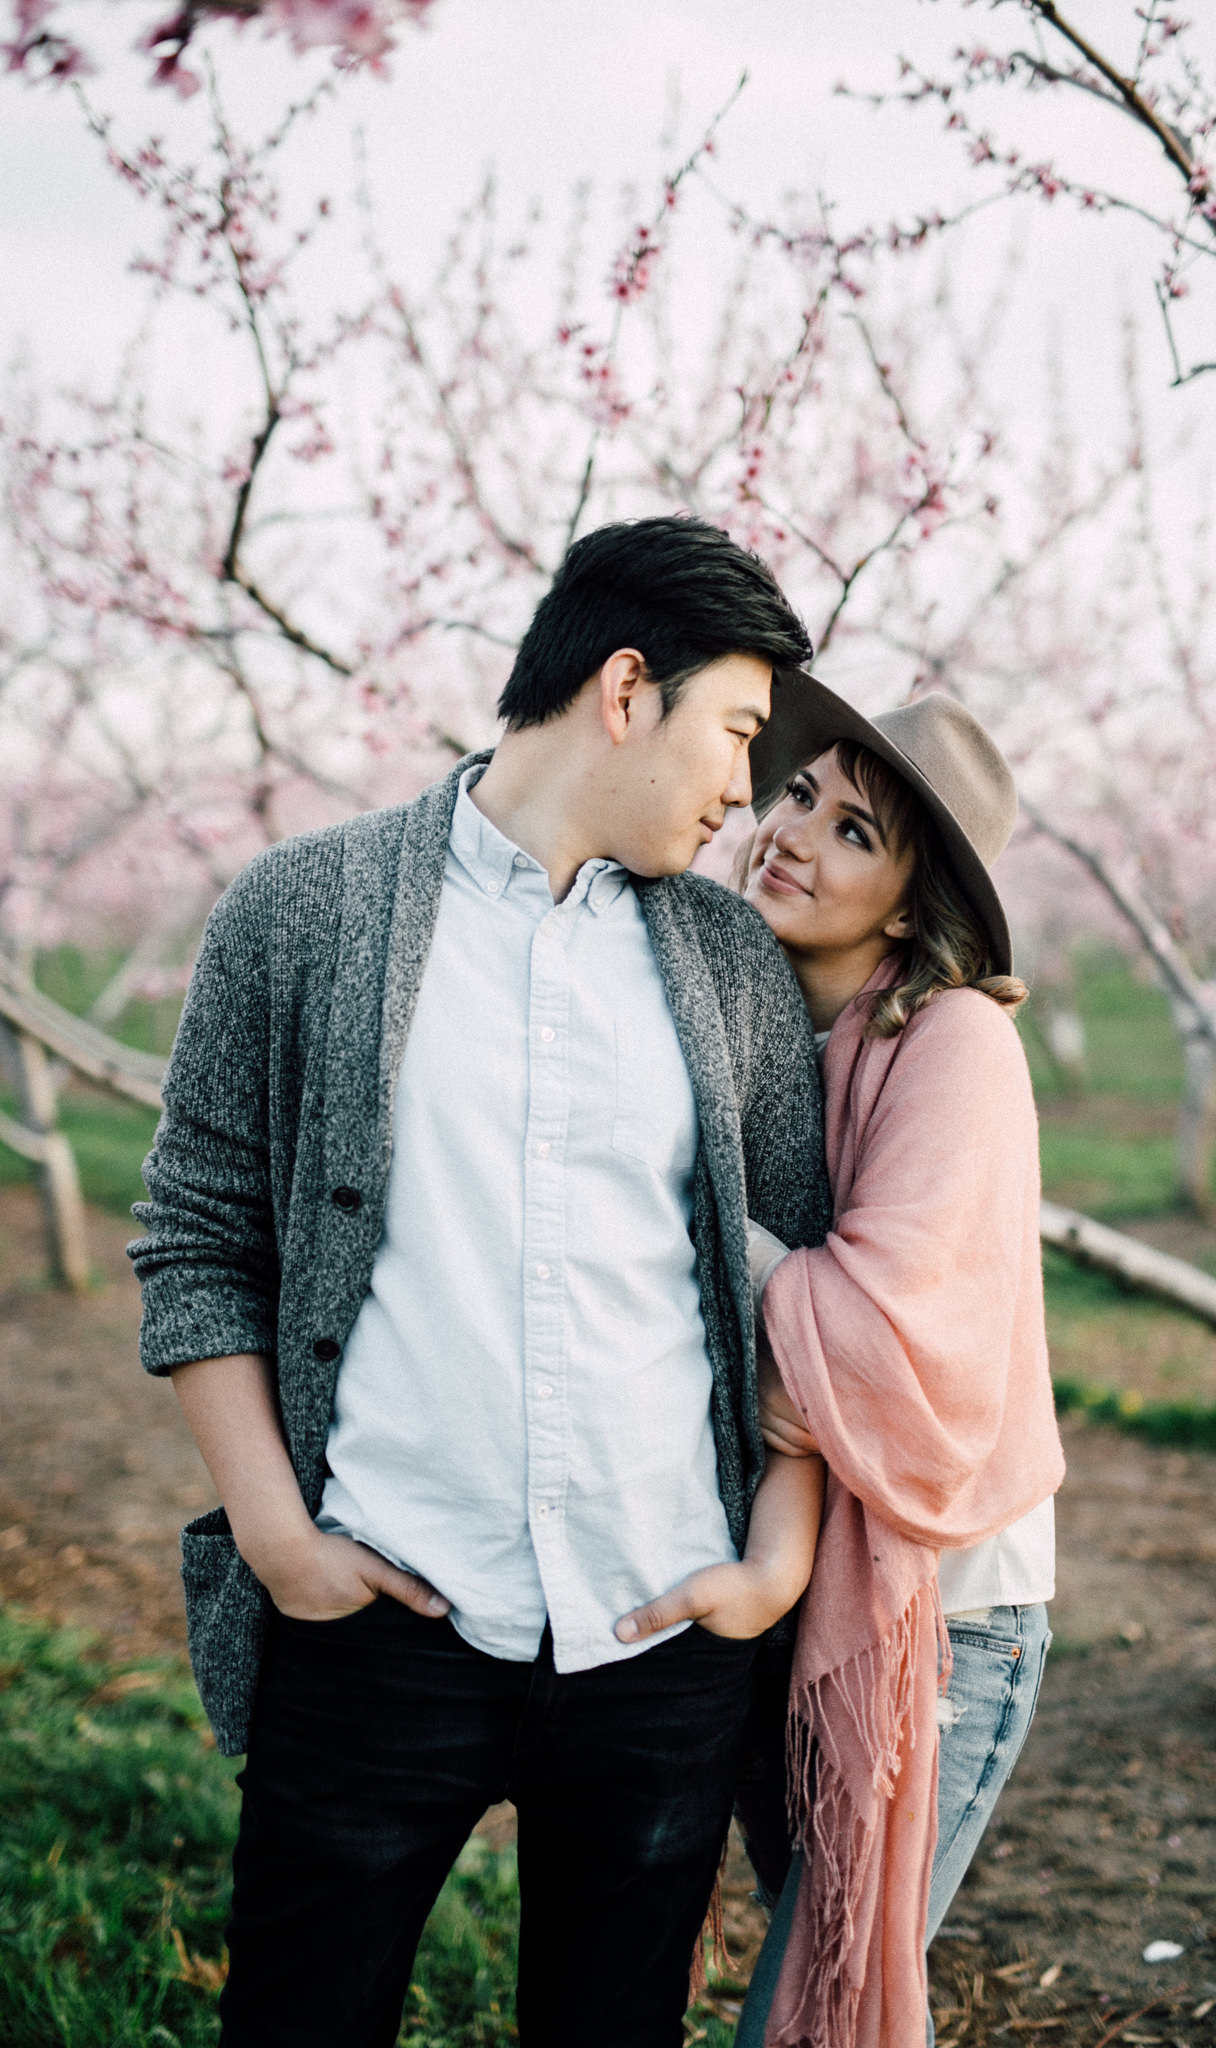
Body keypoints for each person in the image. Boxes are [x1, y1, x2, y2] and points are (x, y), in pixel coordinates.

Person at [127, 515, 836, 2048]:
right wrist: (278, 1540)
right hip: (376, 1613)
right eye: (733, 732)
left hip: (659, 1634)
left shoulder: (729, 964)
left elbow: (804, 1295)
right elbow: (196, 1239)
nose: (743, 792)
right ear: (627, 688)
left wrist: (769, 1567)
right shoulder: (299, 912)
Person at [614, 685, 1066, 2048]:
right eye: (796, 790)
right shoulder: (735, 1018)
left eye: (852, 828)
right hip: (780, 1569)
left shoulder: (950, 1045)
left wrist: (682, 1212)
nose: (790, 833)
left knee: (821, 2005)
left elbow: (879, 1336)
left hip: (934, 1615)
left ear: (908, 902)